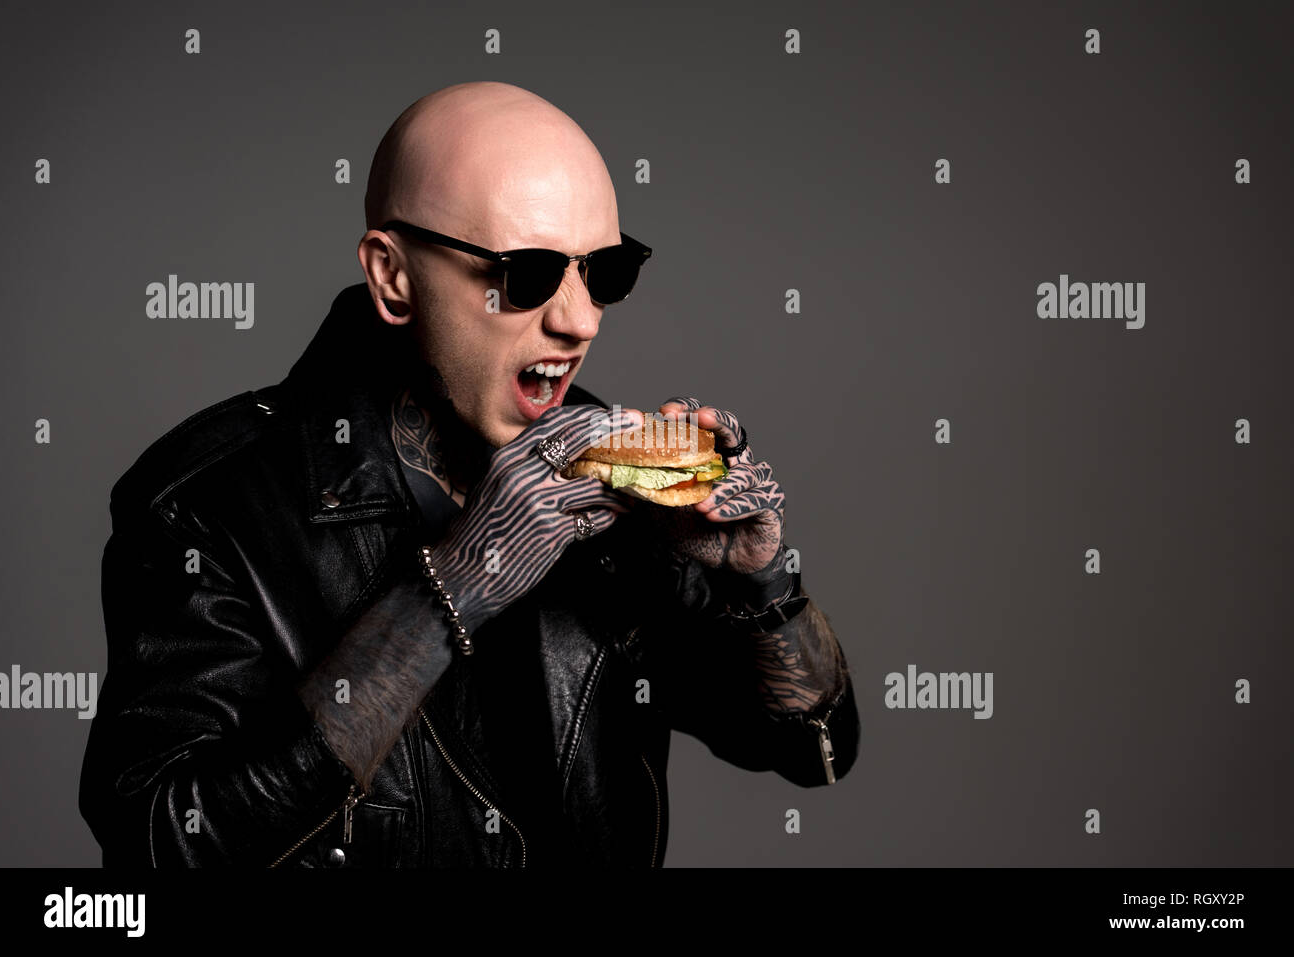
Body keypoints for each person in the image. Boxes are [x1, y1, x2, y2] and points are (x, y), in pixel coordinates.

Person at [79, 81, 859, 868]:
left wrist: (760, 587)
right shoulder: (209, 501)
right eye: (527, 274)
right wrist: (448, 589)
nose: (580, 318)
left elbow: (811, 751)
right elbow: (162, 845)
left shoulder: (610, 470)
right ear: (393, 276)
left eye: (604, 271)